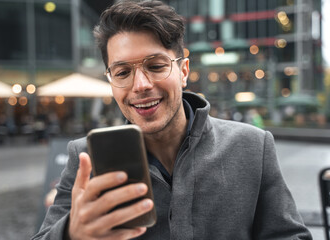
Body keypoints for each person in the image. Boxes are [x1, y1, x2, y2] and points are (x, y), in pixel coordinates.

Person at [32, 1, 312, 239]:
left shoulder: (253, 146)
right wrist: (70, 234)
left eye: (155, 66)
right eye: (122, 72)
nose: (140, 85)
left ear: (183, 71)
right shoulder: (85, 158)